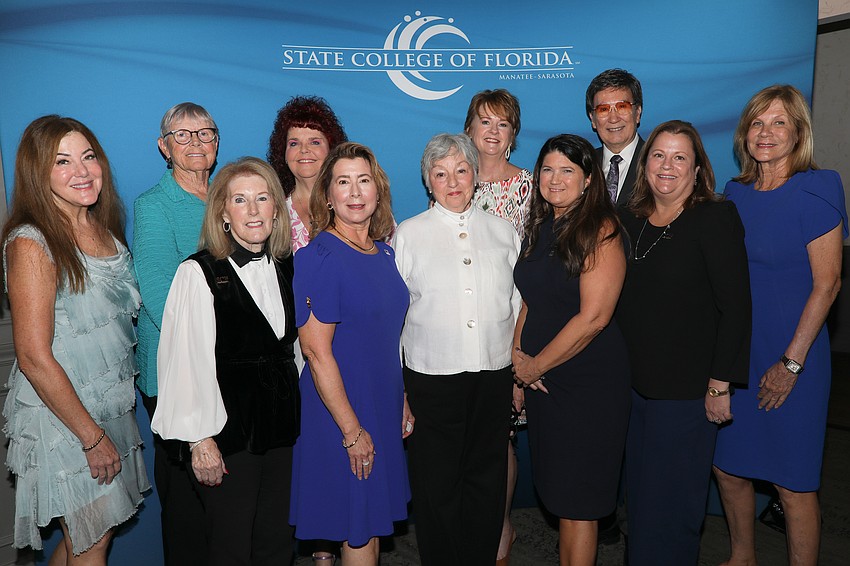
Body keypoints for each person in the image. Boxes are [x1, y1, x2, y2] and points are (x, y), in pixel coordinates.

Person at [2, 115, 150, 564]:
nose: (81, 171)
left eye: (88, 157)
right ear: (37, 173)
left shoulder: (102, 227)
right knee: (93, 538)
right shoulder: (31, 243)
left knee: (89, 537)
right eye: (62, 162)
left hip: (107, 406)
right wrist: (90, 436)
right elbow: (32, 356)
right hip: (65, 419)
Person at [713, 85, 847, 566]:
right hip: (739, 355)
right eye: (757, 123)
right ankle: (741, 557)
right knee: (728, 469)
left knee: (792, 483)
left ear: (798, 133)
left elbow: (827, 285)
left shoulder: (819, 187)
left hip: (796, 356)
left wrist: (790, 364)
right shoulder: (734, 193)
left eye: (778, 123)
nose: (765, 133)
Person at [152, 157, 300, 566]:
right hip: (228, 437)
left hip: (283, 430)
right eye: (240, 200)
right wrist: (200, 441)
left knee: (276, 542)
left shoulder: (288, 267)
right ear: (223, 213)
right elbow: (183, 362)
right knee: (231, 547)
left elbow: (295, 352)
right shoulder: (196, 272)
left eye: (262, 198)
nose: (253, 210)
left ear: (276, 208)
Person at [616, 120, 751, 565]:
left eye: (680, 157)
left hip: (687, 395)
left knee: (671, 509)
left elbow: (735, 307)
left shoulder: (714, 217)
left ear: (697, 169)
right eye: (658, 155)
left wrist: (719, 385)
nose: (667, 165)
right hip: (633, 392)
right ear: (645, 163)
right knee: (640, 502)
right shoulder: (629, 218)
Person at [393, 133, 520, 565]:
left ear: (475, 177)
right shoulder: (408, 235)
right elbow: (393, 317)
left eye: (461, 171)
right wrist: (400, 389)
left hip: (494, 375)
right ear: (428, 181)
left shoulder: (504, 233)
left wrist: (520, 371)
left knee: (487, 481)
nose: (452, 182)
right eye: (441, 173)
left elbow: (519, 306)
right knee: (437, 486)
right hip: (431, 378)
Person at [289, 142, 412, 566]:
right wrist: (351, 431)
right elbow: (315, 352)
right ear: (327, 195)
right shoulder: (318, 257)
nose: (355, 192)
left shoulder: (385, 254)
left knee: (372, 523)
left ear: (378, 192)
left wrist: (403, 400)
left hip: (382, 400)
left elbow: (387, 337)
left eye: (364, 181)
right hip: (340, 410)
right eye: (344, 182)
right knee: (357, 525)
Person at [513, 134, 630, 566]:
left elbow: (594, 318)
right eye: (547, 169)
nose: (555, 178)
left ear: (587, 180)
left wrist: (533, 366)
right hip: (543, 379)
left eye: (567, 170)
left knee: (579, 502)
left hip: (587, 383)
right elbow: (528, 300)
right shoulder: (542, 227)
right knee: (560, 493)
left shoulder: (602, 228)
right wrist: (517, 364)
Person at [133, 101, 219, 564]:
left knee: (225, 505)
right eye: (182, 136)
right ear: (164, 147)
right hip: (174, 370)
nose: (195, 144)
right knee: (187, 505)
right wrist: (219, 348)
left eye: (205, 133)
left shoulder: (228, 195)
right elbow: (161, 296)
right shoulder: (153, 206)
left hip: (224, 370)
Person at [463, 90, 530, 564]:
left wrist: (519, 344)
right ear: (468, 128)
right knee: (464, 433)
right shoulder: (452, 180)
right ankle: (466, 523)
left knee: (500, 436)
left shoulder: (530, 186)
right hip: (457, 329)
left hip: (510, 326)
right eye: (483, 121)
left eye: (502, 124)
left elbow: (532, 273)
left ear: (512, 135)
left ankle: (499, 522)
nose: (491, 131)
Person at [267, 95, 348, 253]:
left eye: (315, 142)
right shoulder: (271, 211)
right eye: (294, 143)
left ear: (331, 149)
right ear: (283, 153)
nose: (304, 150)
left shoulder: (357, 203)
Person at [586, 68, 645, 208]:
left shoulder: (658, 163)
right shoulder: (583, 165)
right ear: (592, 119)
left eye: (622, 107)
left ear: (637, 113)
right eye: (603, 109)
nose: (613, 118)